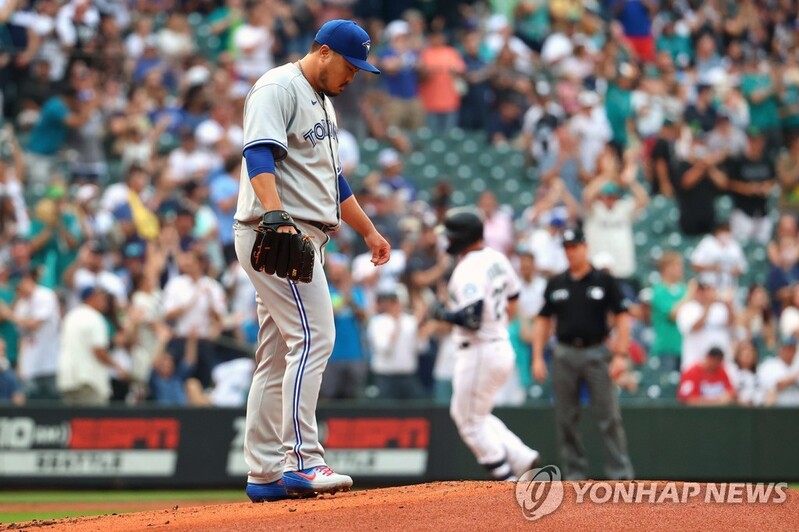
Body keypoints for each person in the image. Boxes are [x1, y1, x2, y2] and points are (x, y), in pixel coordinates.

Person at [233, 20, 390, 502]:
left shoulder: (324, 102)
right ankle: (302, 459)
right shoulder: (278, 86)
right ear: (323, 52)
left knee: (277, 355)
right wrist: (276, 213)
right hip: (278, 230)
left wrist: (368, 229)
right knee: (315, 335)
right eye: (349, 65)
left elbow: (334, 181)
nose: (353, 76)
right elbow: (258, 153)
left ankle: (263, 474)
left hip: (304, 234)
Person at [431, 208, 540, 480]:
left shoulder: (468, 268)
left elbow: (472, 317)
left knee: (468, 421)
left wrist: (442, 314)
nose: (447, 241)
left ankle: (506, 479)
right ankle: (522, 457)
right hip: (500, 345)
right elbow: (513, 298)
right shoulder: (496, 257)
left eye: (450, 236)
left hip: (480, 349)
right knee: (477, 415)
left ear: (462, 238)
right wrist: (499, 322)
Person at [532, 227, 634, 481]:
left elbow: (622, 317)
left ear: (585, 248)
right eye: (566, 248)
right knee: (565, 418)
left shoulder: (603, 281)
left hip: (597, 352)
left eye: (575, 246)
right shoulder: (556, 283)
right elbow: (543, 320)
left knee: (608, 417)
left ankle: (619, 475)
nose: (571, 252)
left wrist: (621, 354)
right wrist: (536, 357)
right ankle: (575, 474)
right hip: (564, 352)